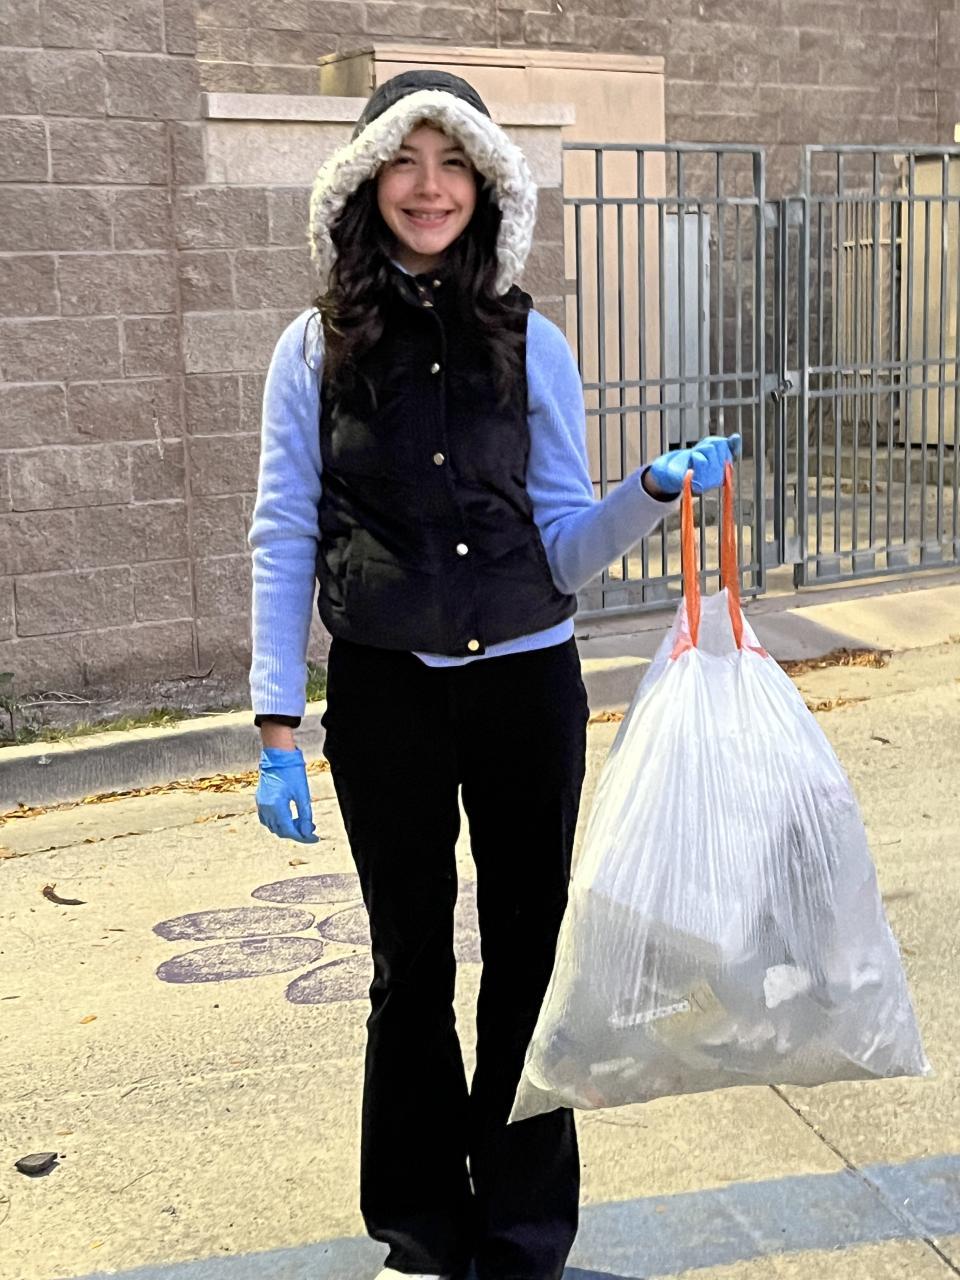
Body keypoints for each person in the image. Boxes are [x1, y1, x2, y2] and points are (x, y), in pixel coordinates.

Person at [249, 70, 739, 1280]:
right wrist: (276, 720)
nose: (429, 187)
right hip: (388, 693)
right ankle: (420, 1234)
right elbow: (283, 529)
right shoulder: (312, 348)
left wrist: (651, 491)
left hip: (526, 689)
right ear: (365, 181)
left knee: (528, 960)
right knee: (408, 965)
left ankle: (522, 1236)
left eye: (454, 162)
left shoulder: (535, 343)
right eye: (405, 161)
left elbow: (563, 545)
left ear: (486, 186)